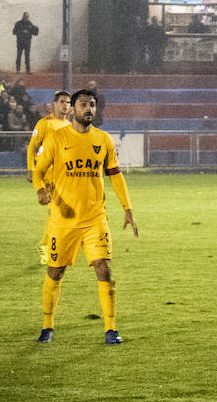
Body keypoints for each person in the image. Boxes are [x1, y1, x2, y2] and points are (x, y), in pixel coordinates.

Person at [31, 89, 139, 345]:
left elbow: (115, 175)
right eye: (83, 104)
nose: (89, 108)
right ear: (73, 110)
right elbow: (39, 170)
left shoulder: (103, 140)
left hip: (95, 219)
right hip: (62, 220)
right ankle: (47, 326)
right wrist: (40, 190)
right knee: (55, 271)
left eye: (92, 104)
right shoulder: (57, 137)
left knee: (104, 268)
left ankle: (110, 329)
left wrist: (127, 208)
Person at [27, 89, 72, 265]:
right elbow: (32, 147)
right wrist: (31, 169)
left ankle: (49, 246)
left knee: (58, 215)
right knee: (56, 213)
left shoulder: (70, 126)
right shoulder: (45, 123)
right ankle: (47, 249)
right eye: (62, 102)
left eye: (68, 102)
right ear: (54, 104)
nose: (65, 105)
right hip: (47, 177)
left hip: (63, 178)